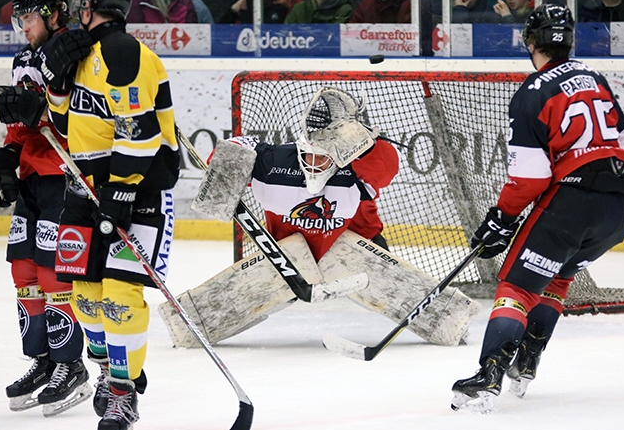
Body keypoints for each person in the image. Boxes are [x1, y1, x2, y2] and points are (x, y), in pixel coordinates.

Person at [159, 88, 478, 349]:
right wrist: (228, 163)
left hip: (354, 249)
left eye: (324, 156)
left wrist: (354, 136)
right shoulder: (272, 162)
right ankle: (189, 325)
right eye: (308, 155)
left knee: (431, 309)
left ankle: (451, 318)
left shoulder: (358, 166)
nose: (314, 163)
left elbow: (387, 161)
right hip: (290, 256)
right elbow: (233, 154)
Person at [451, 4, 624, 413]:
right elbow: (623, 139)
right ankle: (527, 362)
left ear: (530, 41)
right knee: (557, 275)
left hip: (573, 203)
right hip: (618, 208)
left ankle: (489, 375)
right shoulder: (595, 77)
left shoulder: (533, 92)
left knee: (517, 286)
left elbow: (530, 179)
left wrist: (501, 218)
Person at [40, 0, 180, 430]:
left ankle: (123, 391)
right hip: (83, 191)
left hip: (136, 193)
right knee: (85, 296)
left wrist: (120, 191)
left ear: (89, 5)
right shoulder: (81, 55)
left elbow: (139, 131)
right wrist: (54, 83)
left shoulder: (123, 53)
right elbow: (65, 123)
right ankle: (108, 369)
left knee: (120, 297)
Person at [0, 0, 91, 417]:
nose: (23, 27)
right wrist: (7, 153)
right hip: (33, 175)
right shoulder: (24, 58)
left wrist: (48, 112)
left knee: (54, 272)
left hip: (67, 176)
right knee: (24, 270)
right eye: (19, 19)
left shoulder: (75, 51)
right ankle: (44, 359)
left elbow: (85, 119)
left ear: (53, 14)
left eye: (29, 18)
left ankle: (72, 365)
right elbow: (24, 124)